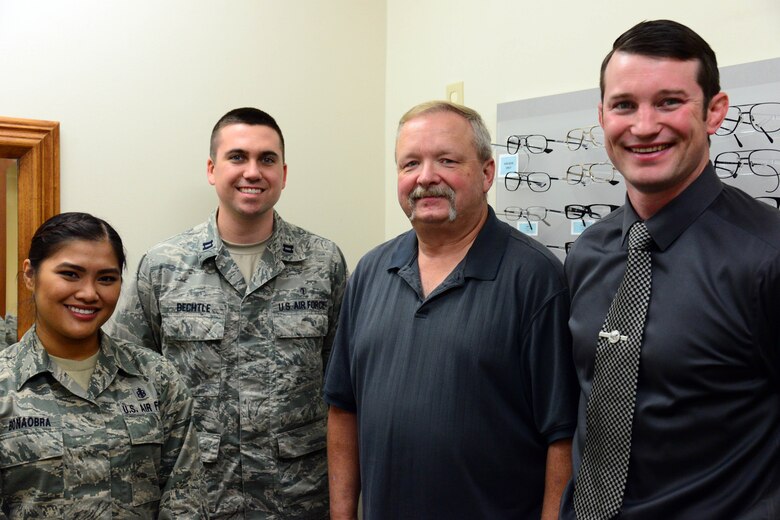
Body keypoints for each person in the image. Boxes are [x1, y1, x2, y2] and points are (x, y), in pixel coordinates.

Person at [560, 20, 780, 519]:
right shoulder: (588, 253)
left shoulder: (767, 256)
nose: (642, 126)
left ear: (714, 112)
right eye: (623, 105)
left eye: (669, 102)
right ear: (602, 116)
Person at [324, 100, 578, 519]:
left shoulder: (535, 279)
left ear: (487, 173)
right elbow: (342, 408)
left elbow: (563, 438)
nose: (426, 177)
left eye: (446, 160)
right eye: (410, 164)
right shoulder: (370, 271)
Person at [109, 107, 348, 518]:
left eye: (267, 159)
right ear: (211, 169)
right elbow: (129, 388)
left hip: (296, 502)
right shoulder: (164, 266)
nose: (252, 171)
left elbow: (343, 389)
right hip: (196, 500)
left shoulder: (323, 263)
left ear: (284, 174)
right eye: (237, 157)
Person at [0, 212, 207, 518]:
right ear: (30, 275)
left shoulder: (155, 378)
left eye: (106, 279)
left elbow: (185, 501)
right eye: (70, 274)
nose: (88, 293)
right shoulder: (5, 386)